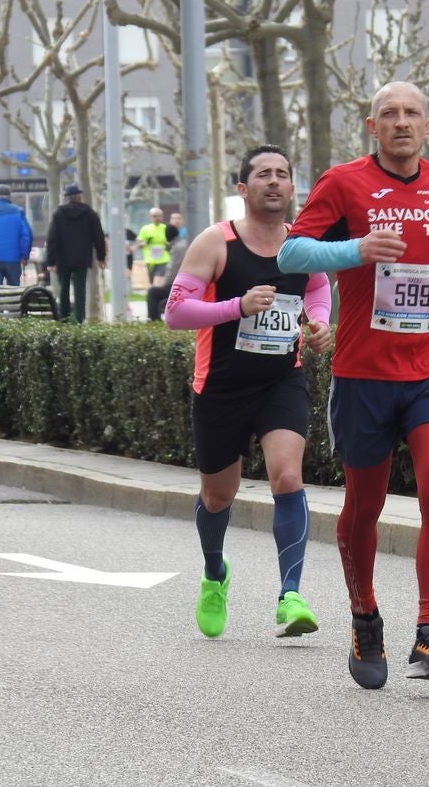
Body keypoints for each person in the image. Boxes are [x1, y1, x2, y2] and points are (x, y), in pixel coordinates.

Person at [277, 81, 429, 689]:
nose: (401, 123)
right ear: (372, 126)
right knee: (367, 505)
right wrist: (356, 249)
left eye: (411, 114)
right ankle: (365, 619)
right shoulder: (344, 183)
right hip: (363, 372)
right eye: (388, 114)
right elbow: (291, 255)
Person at [165, 144, 333, 640]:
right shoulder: (215, 243)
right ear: (244, 188)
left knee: (286, 476)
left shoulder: (302, 244)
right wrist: (235, 307)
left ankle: (291, 595)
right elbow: (175, 314)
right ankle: (215, 573)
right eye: (264, 174)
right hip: (220, 386)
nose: (275, 182)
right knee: (219, 496)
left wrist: (319, 323)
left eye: (283, 174)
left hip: (281, 378)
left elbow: (318, 289)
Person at [46, 183, 107, 323]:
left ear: (66, 198)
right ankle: (79, 319)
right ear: (80, 197)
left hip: (63, 258)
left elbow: (52, 239)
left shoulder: (58, 214)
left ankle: (64, 319)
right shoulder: (90, 213)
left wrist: (51, 261)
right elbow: (98, 236)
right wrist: (101, 257)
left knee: (63, 290)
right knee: (80, 290)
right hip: (82, 257)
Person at [146, 223, 189, 321]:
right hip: (185, 284)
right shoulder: (183, 243)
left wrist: (164, 284)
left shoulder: (177, 248)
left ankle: (154, 321)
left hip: (179, 286)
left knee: (152, 292)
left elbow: (172, 270)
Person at [135, 207, 171, 284]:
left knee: (158, 282)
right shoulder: (145, 229)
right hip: (150, 261)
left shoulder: (166, 228)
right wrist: (146, 242)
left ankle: (159, 295)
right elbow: (138, 245)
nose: (157, 218)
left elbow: (172, 244)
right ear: (150, 217)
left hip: (163, 260)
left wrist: (167, 244)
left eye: (159, 216)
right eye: (154, 216)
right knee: (152, 283)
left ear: (162, 216)